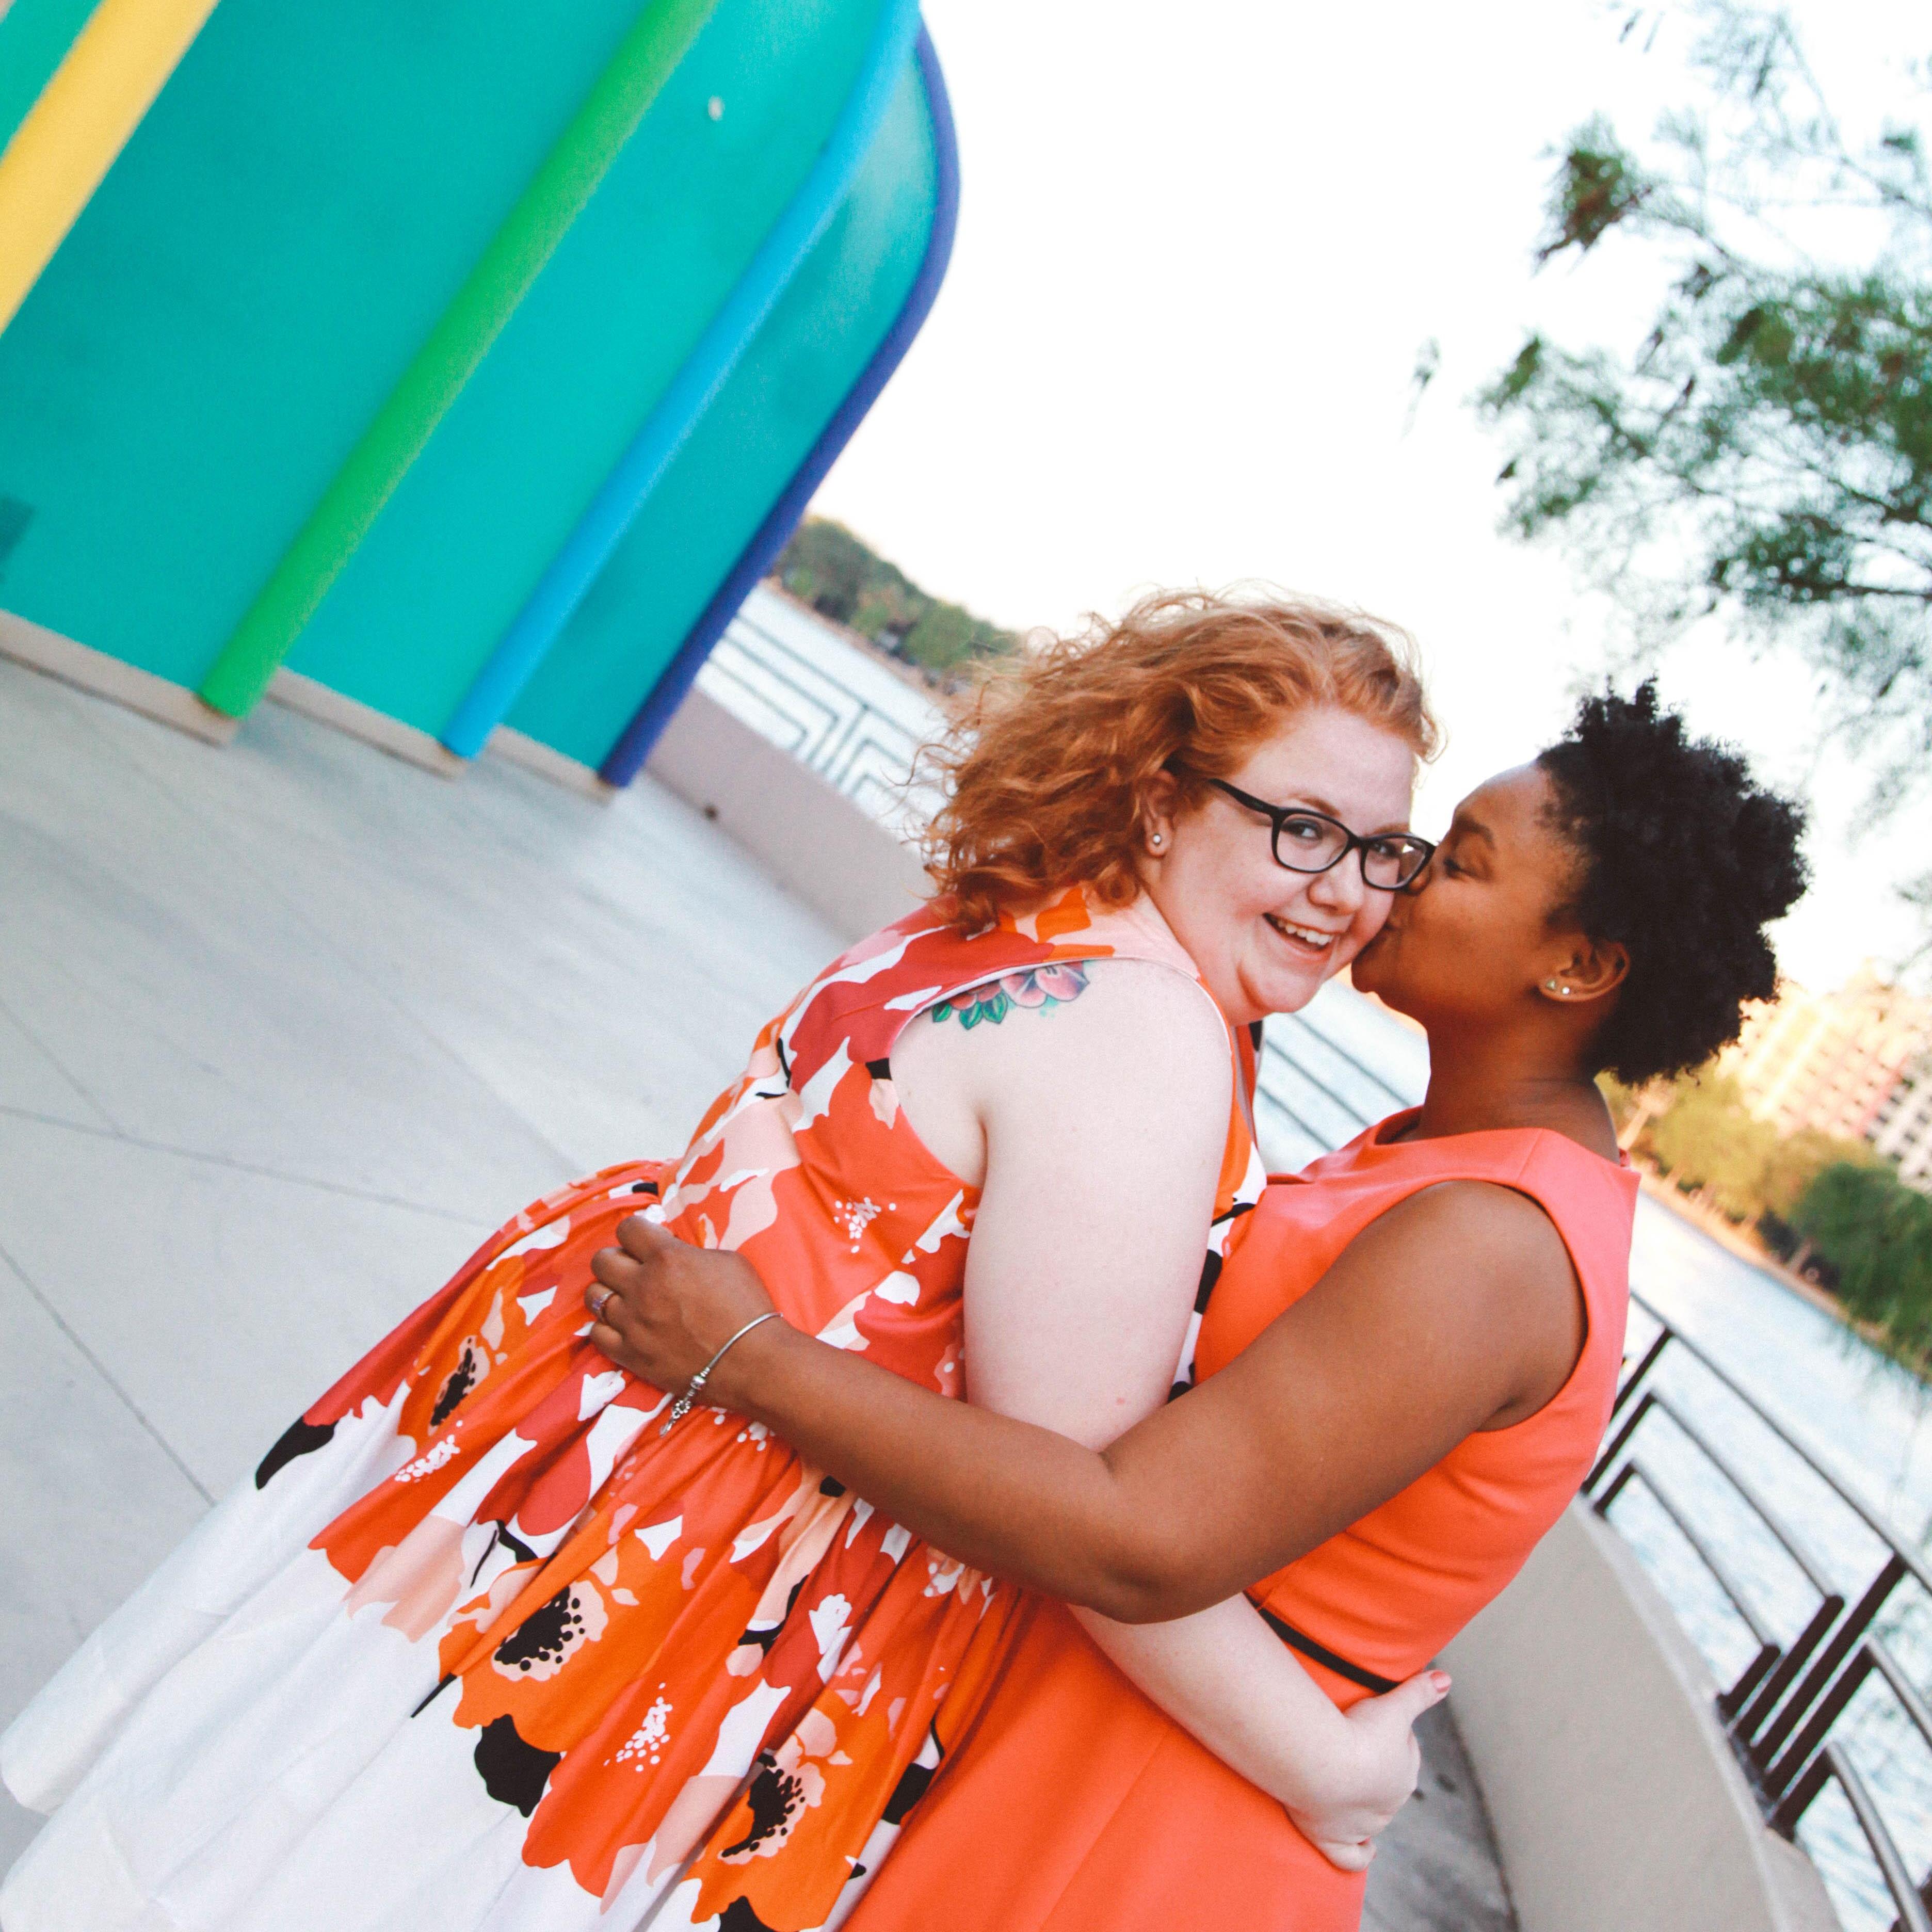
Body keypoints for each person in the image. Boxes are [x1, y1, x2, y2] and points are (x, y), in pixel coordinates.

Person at [2, 591, 1448, 1932]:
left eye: (1385, 851)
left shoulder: (1011, 916)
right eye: (1300, 829)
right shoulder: (1144, 1028)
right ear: (1161, 797)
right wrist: (1323, 1765)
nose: (1346, 894)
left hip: (569, 1462)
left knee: (290, 1837)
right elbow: (1075, 1510)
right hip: (695, 1583)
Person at [583, 684, 1809, 1930]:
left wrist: (751, 1358)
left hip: (1145, 1823)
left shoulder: (1494, 1245)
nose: (1387, 882)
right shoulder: (1432, 1157)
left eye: (1456, 865)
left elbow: (1140, 1541)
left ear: (1579, 965)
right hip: (1105, 1730)